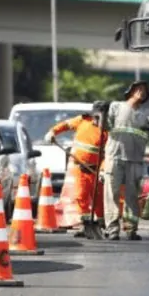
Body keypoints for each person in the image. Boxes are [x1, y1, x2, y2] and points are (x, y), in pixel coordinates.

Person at [100, 81, 149, 241]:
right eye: (138, 89)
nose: (141, 92)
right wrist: (102, 112)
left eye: (144, 91)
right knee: (112, 194)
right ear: (130, 91)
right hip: (114, 156)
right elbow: (104, 124)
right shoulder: (116, 106)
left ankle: (131, 229)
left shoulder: (146, 112)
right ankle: (112, 229)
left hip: (135, 159)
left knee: (132, 196)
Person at [44, 101, 110, 236]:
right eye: (98, 117)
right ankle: (85, 225)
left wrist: (103, 170)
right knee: (81, 196)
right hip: (80, 168)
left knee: (99, 200)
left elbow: (108, 155)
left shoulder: (108, 133)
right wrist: (52, 132)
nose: (100, 121)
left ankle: (103, 225)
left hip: (96, 171)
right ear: (94, 116)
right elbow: (66, 125)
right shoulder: (82, 121)